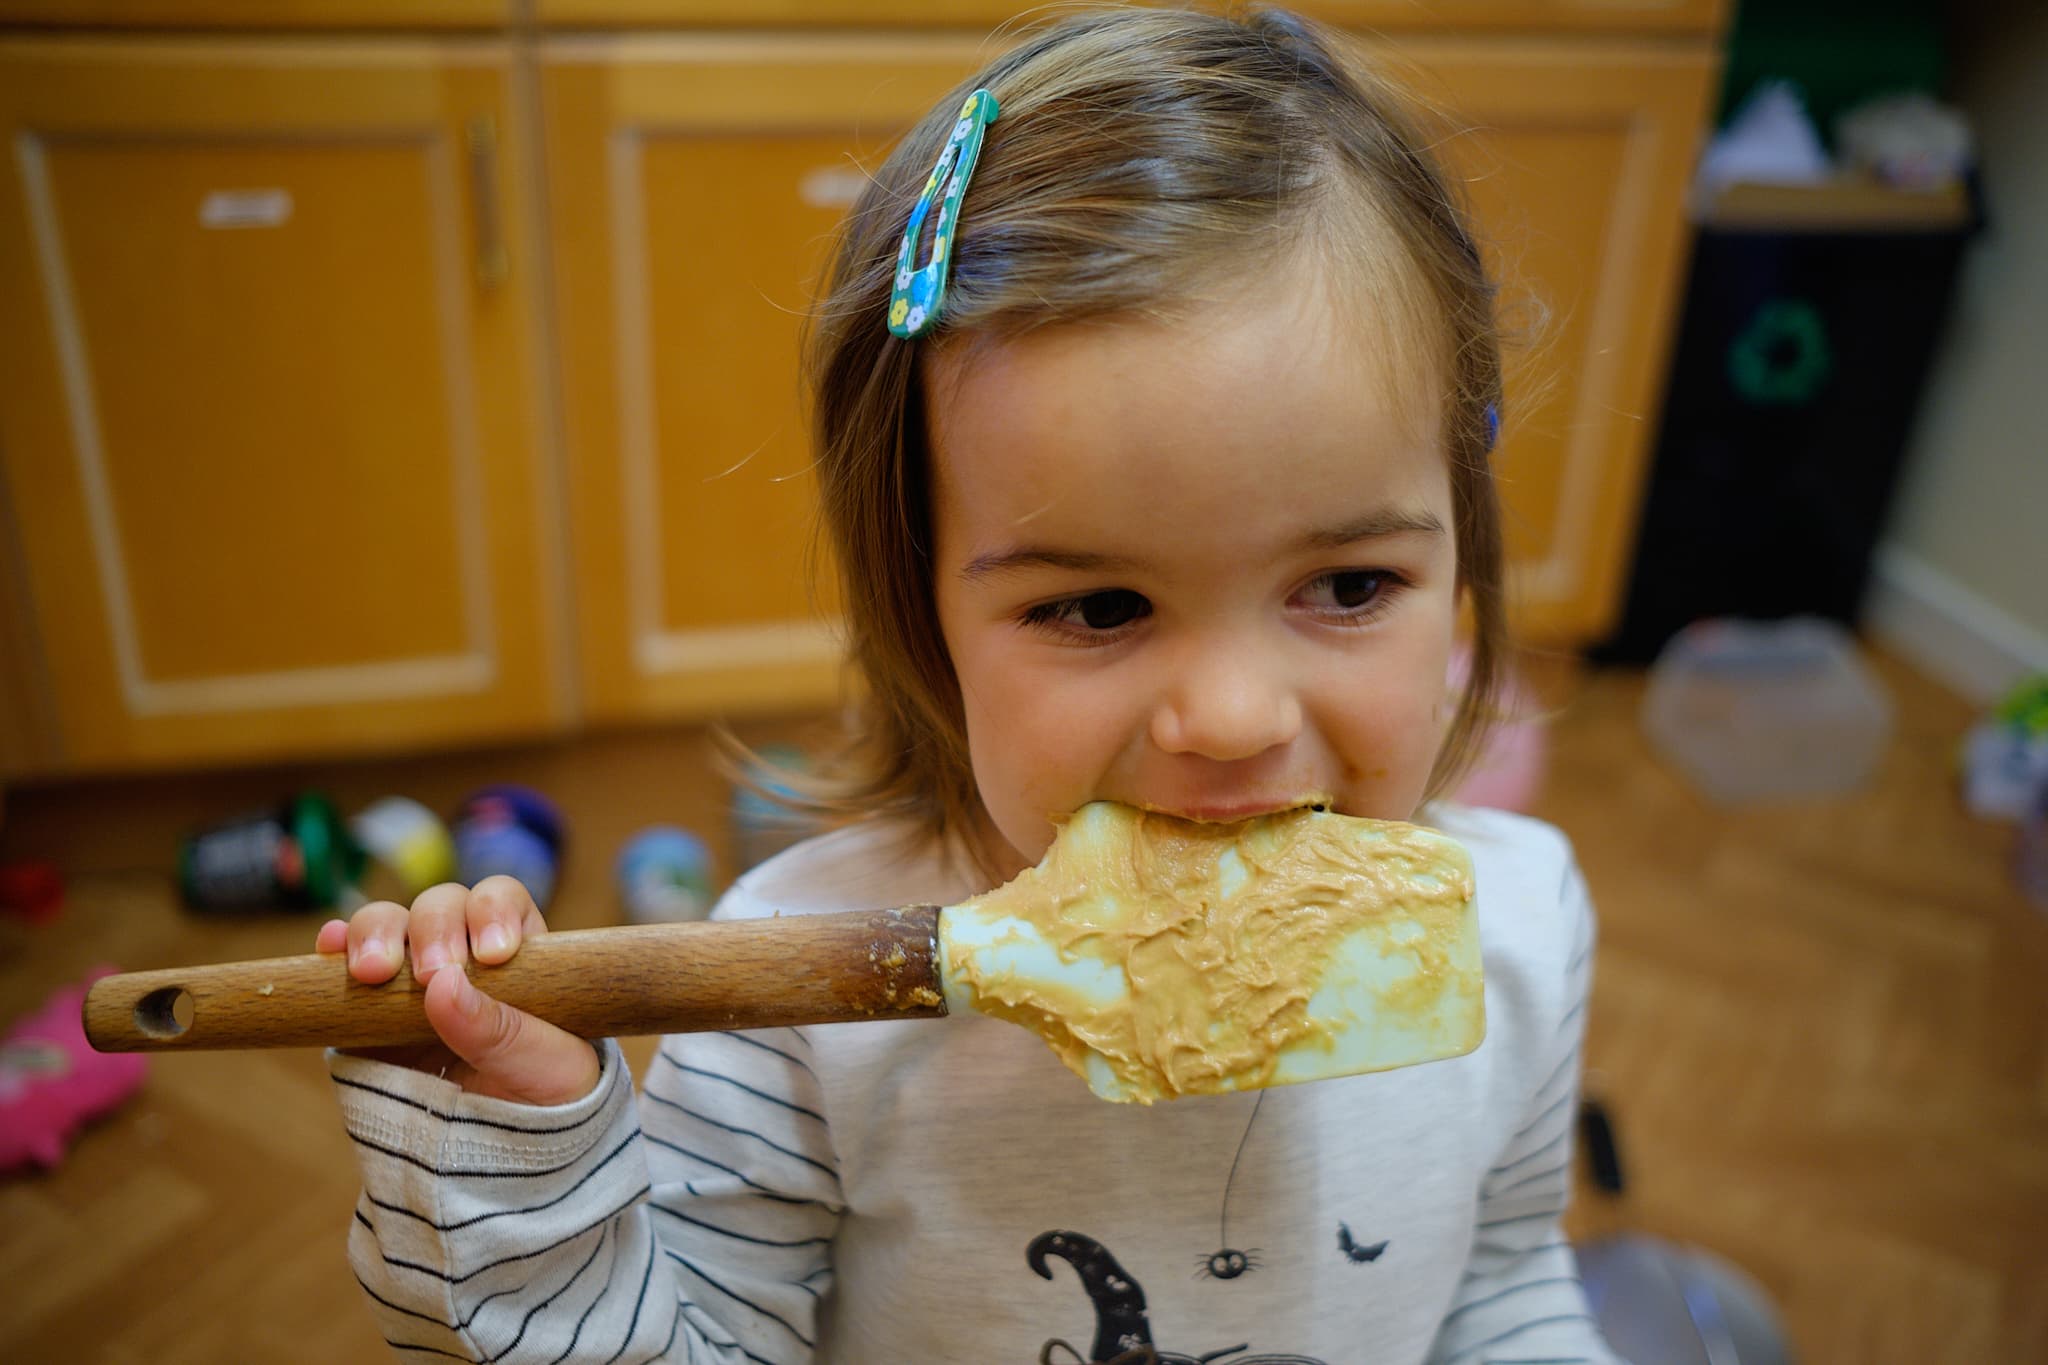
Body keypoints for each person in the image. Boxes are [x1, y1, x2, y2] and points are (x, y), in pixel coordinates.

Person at [315, 7, 1621, 1361]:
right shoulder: (796, 999)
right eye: (1099, 606)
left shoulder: (1522, 928)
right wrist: (526, 1177)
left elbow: (1503, 1277)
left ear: (1462, 569)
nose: (1235, 717)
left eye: (1349, 586)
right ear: (923, 617)